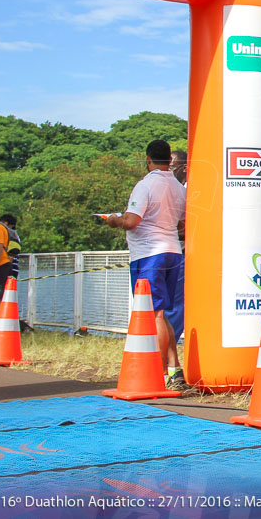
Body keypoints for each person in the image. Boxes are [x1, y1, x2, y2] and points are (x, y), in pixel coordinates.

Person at [105, 140, 187, 391]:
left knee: (155, 315)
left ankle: (159, 373)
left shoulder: (145, 185)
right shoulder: (178, 187)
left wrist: (113, 220)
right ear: (169, 161)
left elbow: (131, 221)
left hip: (149, 254)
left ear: (148, 159)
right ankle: (174, 369)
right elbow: (183, 225)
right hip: (173, 252)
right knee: (163, 315)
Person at [165, 149, 187, 343]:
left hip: (182, 256)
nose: (166, 170)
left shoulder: (191, 192)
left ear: (184, 169)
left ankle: (166, 358)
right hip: (164, 254)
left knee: (174, 307)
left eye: (171, 166)